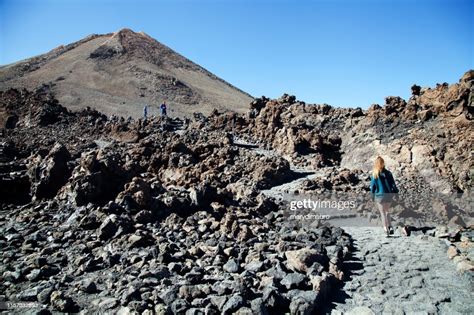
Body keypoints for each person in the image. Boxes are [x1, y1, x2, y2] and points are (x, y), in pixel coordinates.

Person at [370, 156, 399, 236]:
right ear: (383, 163)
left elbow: (373, 187)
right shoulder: (388, 173)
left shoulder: (374, 174)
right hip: (388, 195)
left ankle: (386, 229)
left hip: (379, 195)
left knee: (382, 213)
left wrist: (372, 196)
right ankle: (390, 226)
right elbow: (393, 184)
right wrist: (396, 194)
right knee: (387, 211)